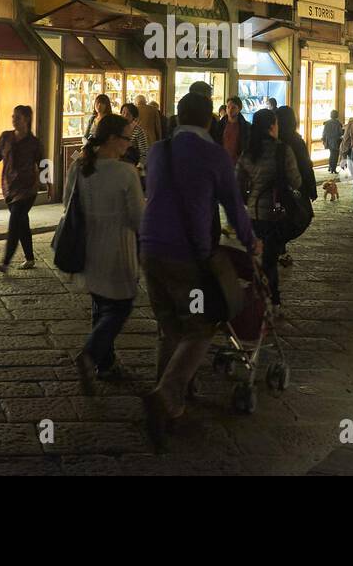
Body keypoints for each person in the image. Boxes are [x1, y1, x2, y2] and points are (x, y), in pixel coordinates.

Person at [139, 92, 261, 449]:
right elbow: (234, 205)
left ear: (177, 117)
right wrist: (251, 240)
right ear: (210, 120)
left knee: (169, 327)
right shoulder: (215, 155)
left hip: (149, 250)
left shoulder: (159, 150)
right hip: (186, 259)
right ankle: (165, 395)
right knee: (200, 327)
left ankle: (171, 406)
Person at [68, 114, 144, 393]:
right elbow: (138, 218)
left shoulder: (79, 165)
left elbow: (68, 204)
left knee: (100, 304)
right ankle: (90, 355)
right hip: (118, 248)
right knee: (120, 306)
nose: (129, 144)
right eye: (126, 138)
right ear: (112, 139)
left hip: (89, 246)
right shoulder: (126, 172)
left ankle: (105, 362)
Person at [237, 109, 302, 311]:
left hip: (254, 213)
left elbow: (237, 182)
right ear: (272, 126)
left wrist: (249, 199)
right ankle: (273, 299)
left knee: (259, 255)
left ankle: (259, 294)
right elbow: (296, 181)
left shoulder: (248, 152)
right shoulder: (282, 150)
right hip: (276, 212)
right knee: (270, 258)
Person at [0, 105, 49, 271]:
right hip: (9, 187)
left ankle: (5, 262)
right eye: (13, 116)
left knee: (15, 221)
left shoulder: (34, 142)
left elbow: (43, 165)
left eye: (17, 117)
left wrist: (49, 185)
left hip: (27, 189)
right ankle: (30, 258)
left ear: (26, 119)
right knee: (22, 222)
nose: (14, 120)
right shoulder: (6, 137)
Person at [274, 105, 316, 269]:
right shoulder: (295, 140)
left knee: (281, 218)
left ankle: (279, 248)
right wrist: (310, 188)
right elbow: (305, 166)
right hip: (294, 188)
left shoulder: (275, 139)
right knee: (299, 218)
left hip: (276, 189)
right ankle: (278, 246)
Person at [216, 96, 250, 163]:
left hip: (238, 162)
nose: (230, 110)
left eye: (233, 108)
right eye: (228, 107)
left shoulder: (245, 126)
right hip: (222, 161)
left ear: (239, 109)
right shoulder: (220, 125)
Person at [120, 101, 150, 170]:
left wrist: (139, 167)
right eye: (123, 113)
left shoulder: (138, 131)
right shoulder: (117, 129)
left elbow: (144, 152)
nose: (124, 116)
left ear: (133, 116)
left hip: (132, 166)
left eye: (128, 114)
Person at [322, 109, 344, 175]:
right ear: (337, 115)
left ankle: (330, 167)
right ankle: (333, 168)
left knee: (331, 154)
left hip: (328, 141)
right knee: (335, 155)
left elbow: (324, 133)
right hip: (336, 141)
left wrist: (324, 140)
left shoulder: (327, 123)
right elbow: (340, 133)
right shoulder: (338, 123)